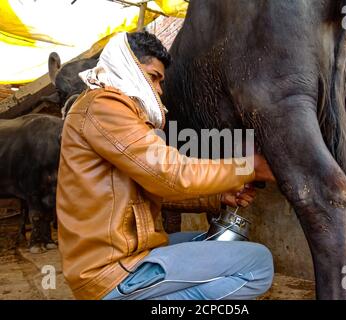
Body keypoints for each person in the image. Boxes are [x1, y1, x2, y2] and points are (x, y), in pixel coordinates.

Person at [56, 31, 275, 300]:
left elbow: (152, 188)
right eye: (153, 77)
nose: (159, 90)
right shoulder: (105, 106)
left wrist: (217, 197)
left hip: (127, 255)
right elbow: (172, 174)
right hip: (111, 271)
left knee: (208, 240)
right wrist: (248, 167)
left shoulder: (113, 112)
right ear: (128, 67)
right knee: (258, 263)